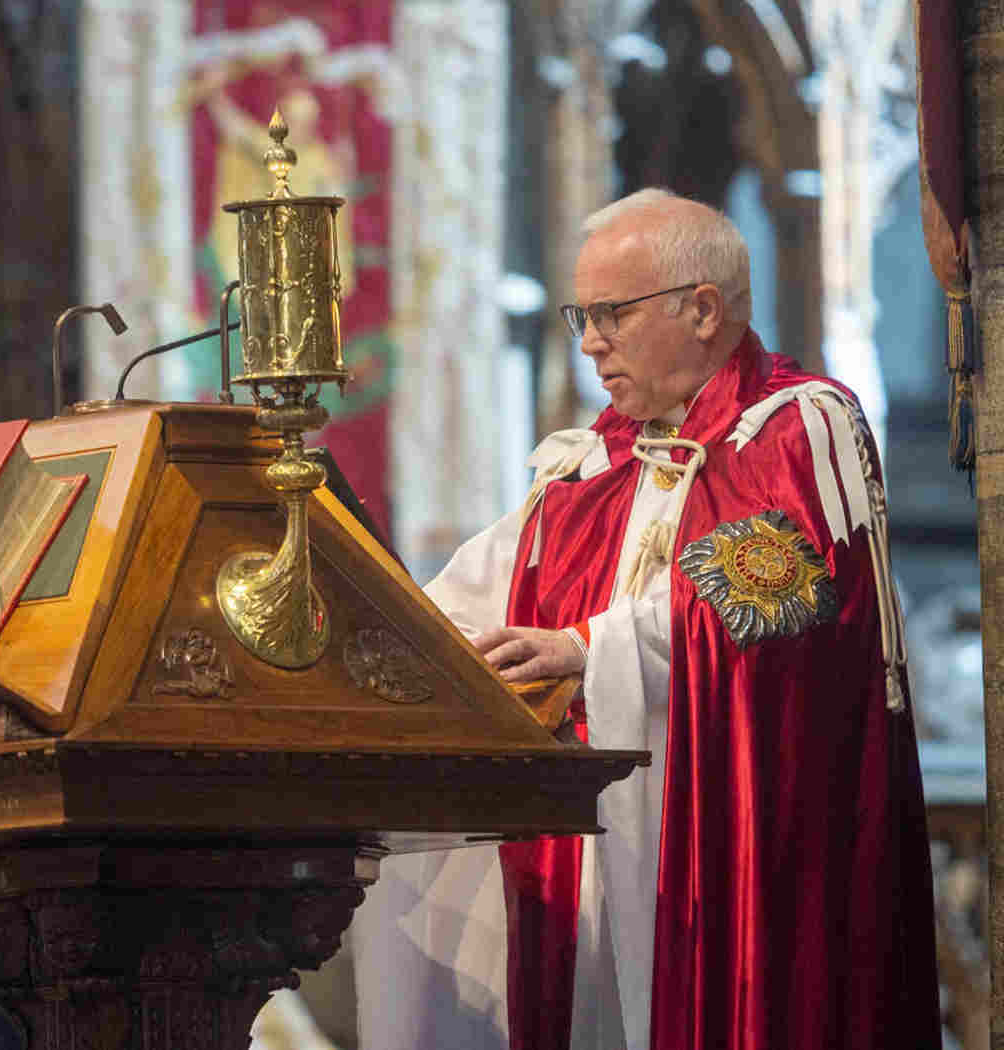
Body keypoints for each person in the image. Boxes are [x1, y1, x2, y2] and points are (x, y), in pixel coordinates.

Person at [354, 188, 940, 1050]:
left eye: (610, 315)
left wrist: (585, 648)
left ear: (703, 310)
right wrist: (361, 629)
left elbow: (764, 600)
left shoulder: (795, 427)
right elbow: (471, 594)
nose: (589, 343)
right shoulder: (593, 462)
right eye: (580, 315)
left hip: (730, 849)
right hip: (592, 852)